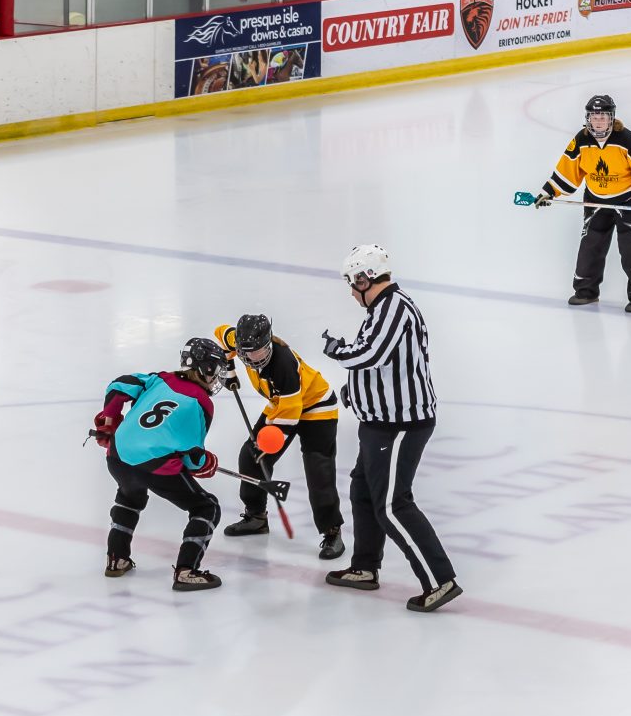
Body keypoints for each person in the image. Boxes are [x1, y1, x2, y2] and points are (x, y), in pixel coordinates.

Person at [318, 244, 462, 613]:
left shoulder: (394, 308)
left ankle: (440, 580)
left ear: (366, 278)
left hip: (400, 426)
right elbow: (383, 362)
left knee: (394, 504)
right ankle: (365, 567)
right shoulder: (382, 308)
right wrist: (358, 390)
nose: (351, 292)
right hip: (379, 422)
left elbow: (370, 354)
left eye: (353, 283)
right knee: (363, 491)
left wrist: (337, 350)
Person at [93, 338, 228, 591]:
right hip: (154, 466)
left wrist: (109, 420)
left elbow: (120, 384)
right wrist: (206, 464)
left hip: (118, 456)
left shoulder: (160, 378)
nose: (218, 376)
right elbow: (192, 458)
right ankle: (187, 571)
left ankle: (116, 559)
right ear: (206, 369)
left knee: (129, 496)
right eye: (216, 369)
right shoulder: (201, 402)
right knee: (206, 507)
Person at [214, 314, 344, 559]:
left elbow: (291, 413)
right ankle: (256, 517)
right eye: (246, 353)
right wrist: (228, 367)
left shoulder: (282, 363)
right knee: (251, 456)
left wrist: (273, 442)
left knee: (318, 468)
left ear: (269, 343)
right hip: (281, 403)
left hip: (316, 406)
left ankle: (332, 531)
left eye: (259, 352)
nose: (253, 358)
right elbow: (221, 332)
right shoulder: (238, 341)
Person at [533, 94, 631, 311]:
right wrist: (549, 191)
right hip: (596, 198)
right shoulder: (581, 140)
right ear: (588, 118)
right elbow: (567, 171)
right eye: (594, 117)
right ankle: (586, 291)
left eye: (603, 117)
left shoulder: (626, 139)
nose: (598, 121)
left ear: (612, 118)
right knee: (591, 244)